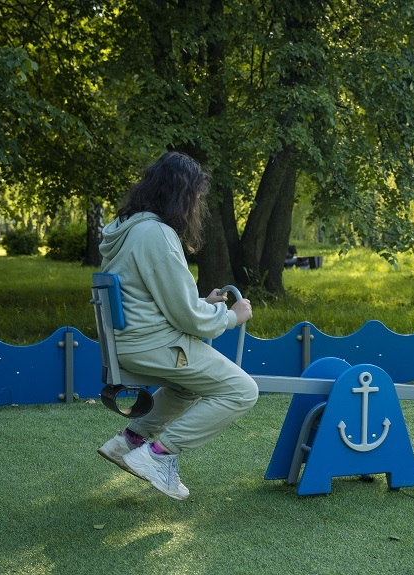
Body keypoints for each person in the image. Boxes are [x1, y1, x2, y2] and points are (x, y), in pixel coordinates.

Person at [96, 151, 258, 499]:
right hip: (153, 344)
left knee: (188, 387)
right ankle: (158, 455)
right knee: (242, 390)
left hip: (130, 341)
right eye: (195, 197)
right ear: (183, 195)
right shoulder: (156, 234)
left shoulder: (127, 229)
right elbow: (185, 316)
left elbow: (150, 299)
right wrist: (232, 316)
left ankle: (128, 441)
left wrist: (204, 304)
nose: (195, 206)